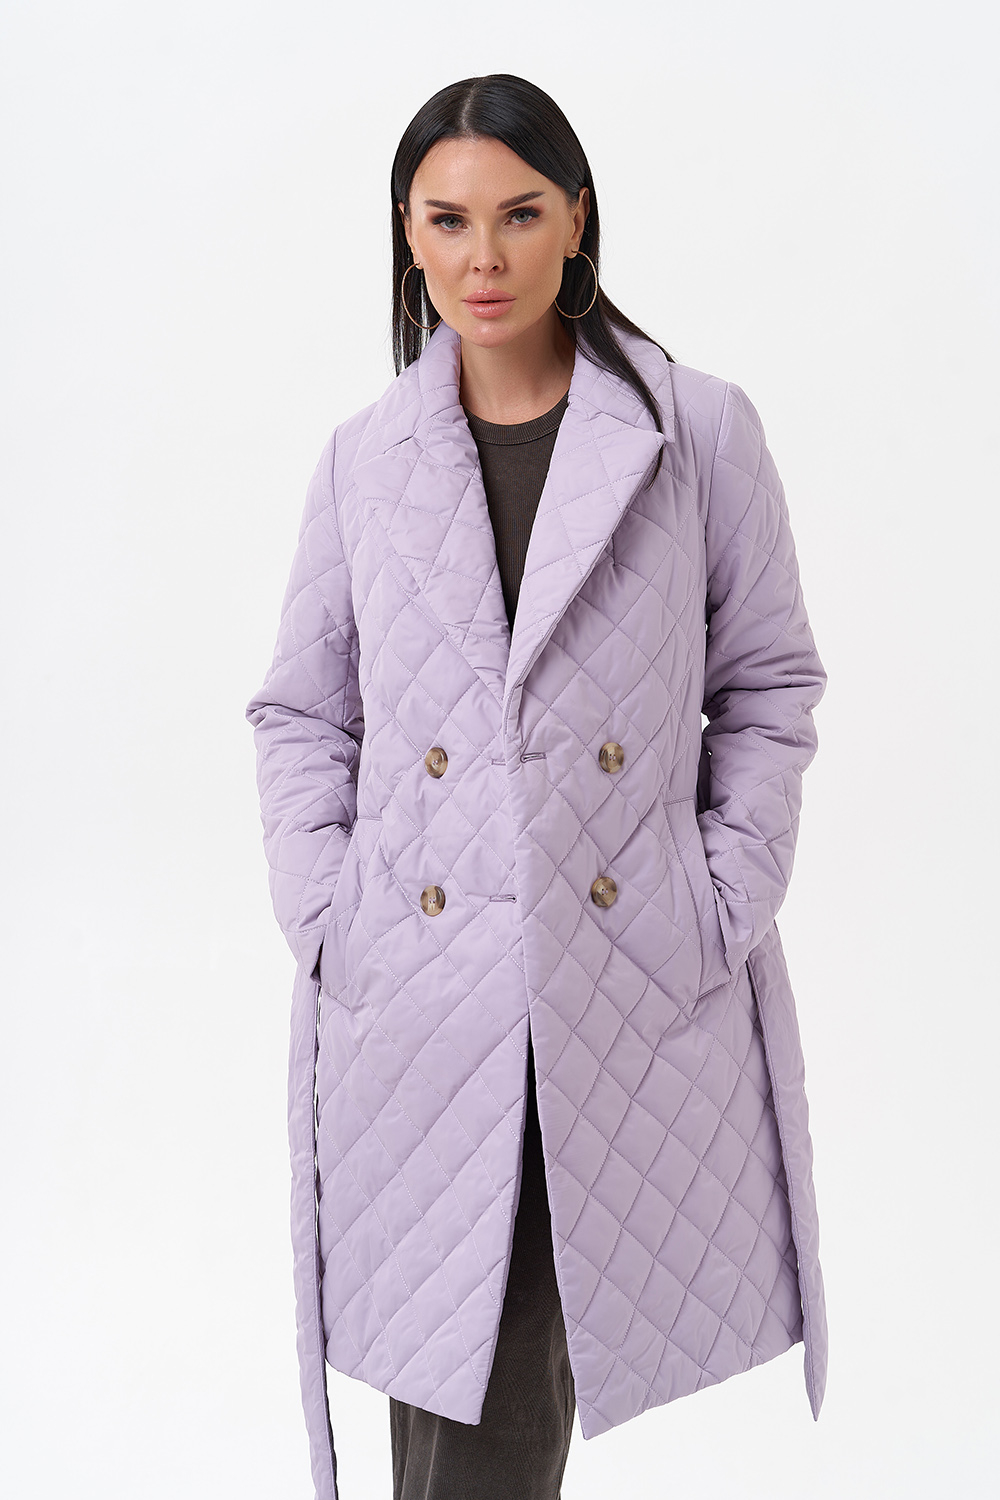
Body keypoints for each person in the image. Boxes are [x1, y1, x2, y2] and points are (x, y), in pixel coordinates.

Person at [246, 73, 828, 1500]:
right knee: (463, 1379)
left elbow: (769, 686)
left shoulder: (699, 435)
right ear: (408, 234)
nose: (484, 258)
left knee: (505, 1382)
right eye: (447, 220)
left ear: (578, 219)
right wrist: (333, 919)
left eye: (519, 214)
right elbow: (303, 713)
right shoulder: (365, 460)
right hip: (425, 996)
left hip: (620, 981)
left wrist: (719, 898)